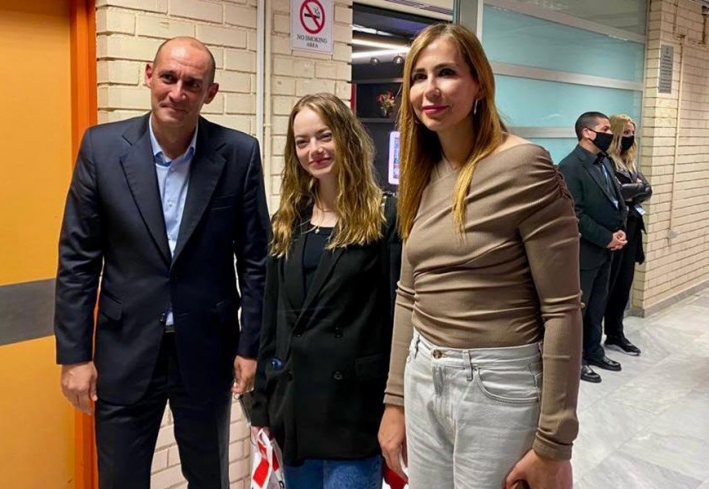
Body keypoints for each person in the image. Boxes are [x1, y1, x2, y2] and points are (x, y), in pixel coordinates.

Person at [54, 37, 270, 489]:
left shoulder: (238, 154)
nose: (178, 92)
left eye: (193, 83)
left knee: (208, 478)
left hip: (207, 348)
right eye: (169, 77)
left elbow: (255, 260)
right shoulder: (101, 148)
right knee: (120, 479)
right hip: (124, 348)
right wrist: (74, 356)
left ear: (210, 92)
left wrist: (251, 346)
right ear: (149, 76)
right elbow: (78, 260)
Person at [377, 23, 581, 489]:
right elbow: (409, 294)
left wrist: (554, 442)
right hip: (423, 371)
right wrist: (395, 401)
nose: (430, 89)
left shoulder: (524, 164)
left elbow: (562, 310)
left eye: (446, 73)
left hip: (497, 387)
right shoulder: (422, 171)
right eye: (418, 76)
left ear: (479, 84)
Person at [250, 93, 401, 489]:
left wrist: (397, 404)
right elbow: (273, 319)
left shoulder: (385, 216)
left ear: (346, 136)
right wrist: (261, 403)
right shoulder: (288, 221)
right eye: (302, 141)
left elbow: (397, 319)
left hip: (354, 410)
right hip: (295, 408)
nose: (314, 150)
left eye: (324, 136)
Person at [559, 112, 629, 383]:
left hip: (606, 248)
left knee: (597, 306)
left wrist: (618, 230)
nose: (610, 134)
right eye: (605, 129)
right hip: (585, 250)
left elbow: (614, 198)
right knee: (580, 309)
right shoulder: (570, 166)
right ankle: (575, 361)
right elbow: (574, 214)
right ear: (587, 132)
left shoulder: (605, 161)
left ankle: (594, 351)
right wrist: (606, 237)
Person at [603, 114, 651, 356]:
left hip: (632, 230)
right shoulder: (605, 162)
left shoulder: (628, 163)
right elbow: (615, 193)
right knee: (605, 289)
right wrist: (635, 190)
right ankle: (590, 342)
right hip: (612, 233)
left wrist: (634, 190)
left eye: (633, 133)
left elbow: (646, 189)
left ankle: (615, 334)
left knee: (623, 287)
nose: (630, 137)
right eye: (626, 133)